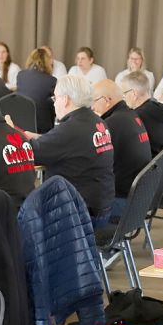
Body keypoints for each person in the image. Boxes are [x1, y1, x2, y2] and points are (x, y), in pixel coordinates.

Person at [17, 75, 114, 227]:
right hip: (100, 205)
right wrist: (38, 137)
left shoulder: (71, 128)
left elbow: (30, 153)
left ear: (65, 99)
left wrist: (9, 132)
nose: (54, 104)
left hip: (79, 213)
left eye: (55, 98)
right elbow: (66, 145)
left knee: (17, 213)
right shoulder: (96, 121)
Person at [91, 79, 151, 217]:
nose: (92, 107)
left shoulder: (112, 123)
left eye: (94, 100)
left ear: (106, 100)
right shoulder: (131, 116)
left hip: (122, 202)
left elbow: (92, 160)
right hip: (140, 199)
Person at [123, 70, 163, 195]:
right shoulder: (158, 109)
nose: (123, 98)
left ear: (133, 94)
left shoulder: (137, 117)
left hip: (156, 184)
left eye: (124, 94)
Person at [15, 47, 57, 133]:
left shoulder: (21, 75)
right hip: (43, 128)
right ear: (47, 62)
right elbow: (53, 107)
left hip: (21, 124)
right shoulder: (51, 80)